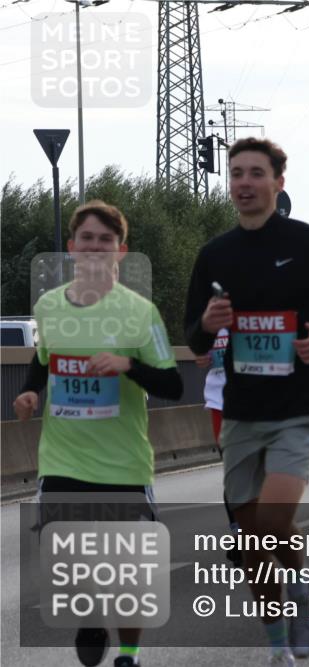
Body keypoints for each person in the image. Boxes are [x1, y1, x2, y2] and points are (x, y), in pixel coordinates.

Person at [183, 137, 309, 664]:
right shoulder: (214, 255)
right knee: (251, 548)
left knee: (268, 525)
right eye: (236, 173)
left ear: (278, 183)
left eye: (255, 173)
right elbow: (194, 339)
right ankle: (277, 647)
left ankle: (303, 600)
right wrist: (206, 324)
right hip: (242, 411)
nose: (244, 182)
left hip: (299, 406)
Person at [13, 200, 183, 667]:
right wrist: (30, 393)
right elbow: (43, 360)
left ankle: (127, 653)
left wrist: (129, 365)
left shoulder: (140, 312)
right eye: (86, 238)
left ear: (120, 252)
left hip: (124, 463)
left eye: (105, 240)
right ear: (72, 248)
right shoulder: (49, 306)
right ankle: (89, 614)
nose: (95, 247)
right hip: (63, 460)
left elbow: (173, 384)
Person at [194, 328, 243, 567]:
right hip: (219, 402)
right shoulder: (209, 314)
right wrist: (200, 353)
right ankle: (238, 536)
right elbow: (197, 341)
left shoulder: (254, 306)